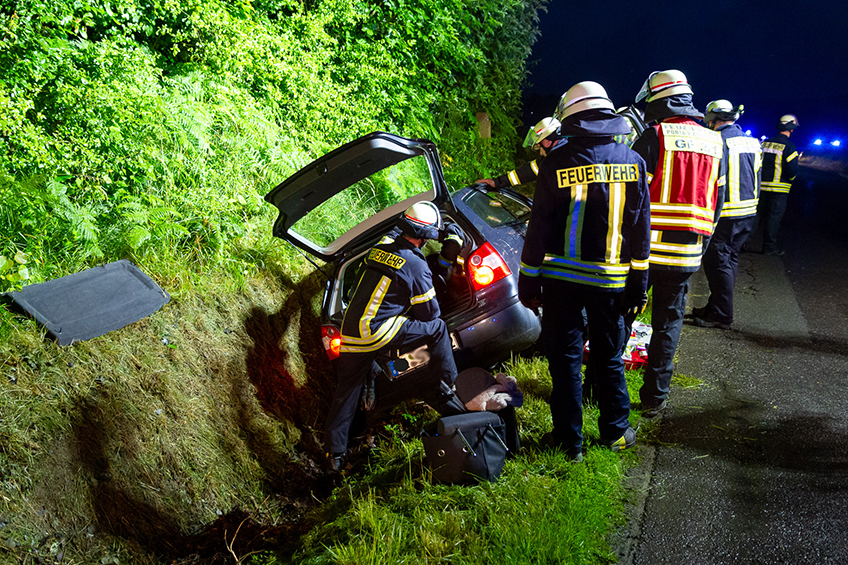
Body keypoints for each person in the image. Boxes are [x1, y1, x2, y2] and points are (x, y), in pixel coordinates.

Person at [518, 81, 652, 460]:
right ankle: (615, 433)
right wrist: (638, 286)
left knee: (564, 362)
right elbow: (639, 232)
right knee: (609, 359)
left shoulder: (556, 163)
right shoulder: (634, 163)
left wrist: (527, 281)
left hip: (560, 283)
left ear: (570, 120)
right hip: (612, 282)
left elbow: (538, 228)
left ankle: (569, 443)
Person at [323, 202, 467, 471]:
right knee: (437, 329)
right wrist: (450, 244)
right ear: (425, 237)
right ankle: (451, 384)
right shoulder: (415, 263)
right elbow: (429, 314)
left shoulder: (380, 247)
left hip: (350, 331)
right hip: (375, 332)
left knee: (346, 392)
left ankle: (335, 456)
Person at [628, 70, 726, 417]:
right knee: (668, 326)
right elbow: (717, 202)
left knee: (622, 318)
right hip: (685, 254)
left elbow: (631, 197)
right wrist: (701, 244)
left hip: (643, 252)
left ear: (660, 100)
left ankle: (601, 389)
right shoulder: (716, 142)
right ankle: (654, 399)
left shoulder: (654, 136)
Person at [691, 100, 762, 330]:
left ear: (712, 119)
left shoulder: (716, 140)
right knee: (729, 260)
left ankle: (721, 315)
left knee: (717, 263)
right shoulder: (752, 142)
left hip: (726, 213)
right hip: (748, 212)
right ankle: (715, 306)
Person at [750, 115, 800, 256]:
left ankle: (744, 244)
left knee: (756, 215)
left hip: (761, 187)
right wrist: (790, 179)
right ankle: (769, 248)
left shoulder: (765, 143)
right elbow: (793, 169)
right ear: (791, 127)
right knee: (774, 218)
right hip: (779, 189)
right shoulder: (789, 146)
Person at [476, 117, 566, 188]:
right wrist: (497, 182)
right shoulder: (569, 152)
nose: (541, 153)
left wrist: (496, 182)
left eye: (539, 145)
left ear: (547, 142)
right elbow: (526, 172)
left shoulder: (552, 161)